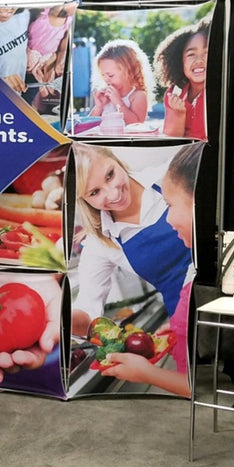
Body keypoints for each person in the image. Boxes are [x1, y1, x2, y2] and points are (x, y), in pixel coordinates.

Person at [71, 143, 196, 397]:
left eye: (110, 174)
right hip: (187, 324)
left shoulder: (167, 175)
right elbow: (88, 311)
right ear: (83, 199)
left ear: (116, 160)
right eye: (95, 192)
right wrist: (58, 317)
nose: (113, 193)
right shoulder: (100, 242)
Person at [153, 15, 211, 140]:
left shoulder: (220, 92)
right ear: (180, 61)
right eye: (191, 54)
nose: (199, 60)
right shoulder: (175, 93)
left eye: (207, 53)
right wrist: (178, 114)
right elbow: (171, 139)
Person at [88, 39, 154, 126]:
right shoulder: (107, 97)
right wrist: (99, 106)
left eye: (111, 75)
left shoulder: (137, 96)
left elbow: (135, 124)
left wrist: (118, 102)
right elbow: (87, 125)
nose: (106, 79)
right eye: (103, 75)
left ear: (129, 72)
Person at [24, 3, 76, 108]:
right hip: (25, 59)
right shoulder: (41, 13)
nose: (77, 8)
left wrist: (58, 63)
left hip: (42, 66)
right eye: (75, 5)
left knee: (27, 99)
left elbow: (63, 48)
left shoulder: (69, 22)